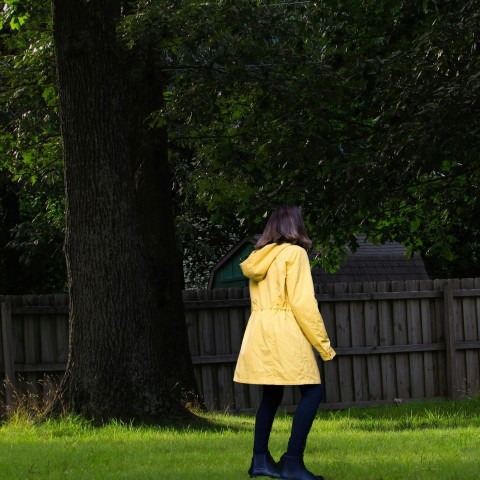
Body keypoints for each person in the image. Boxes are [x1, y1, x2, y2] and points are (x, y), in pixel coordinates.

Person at [234, 204, 336, 480]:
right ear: (295, 226)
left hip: (259, 332)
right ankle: (292, 462)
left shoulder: (258, 257)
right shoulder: (295, 254)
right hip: (285, 332)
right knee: (313, 392)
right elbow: (303, 303)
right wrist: (324, 346)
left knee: (271, 394)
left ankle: (260, 461)